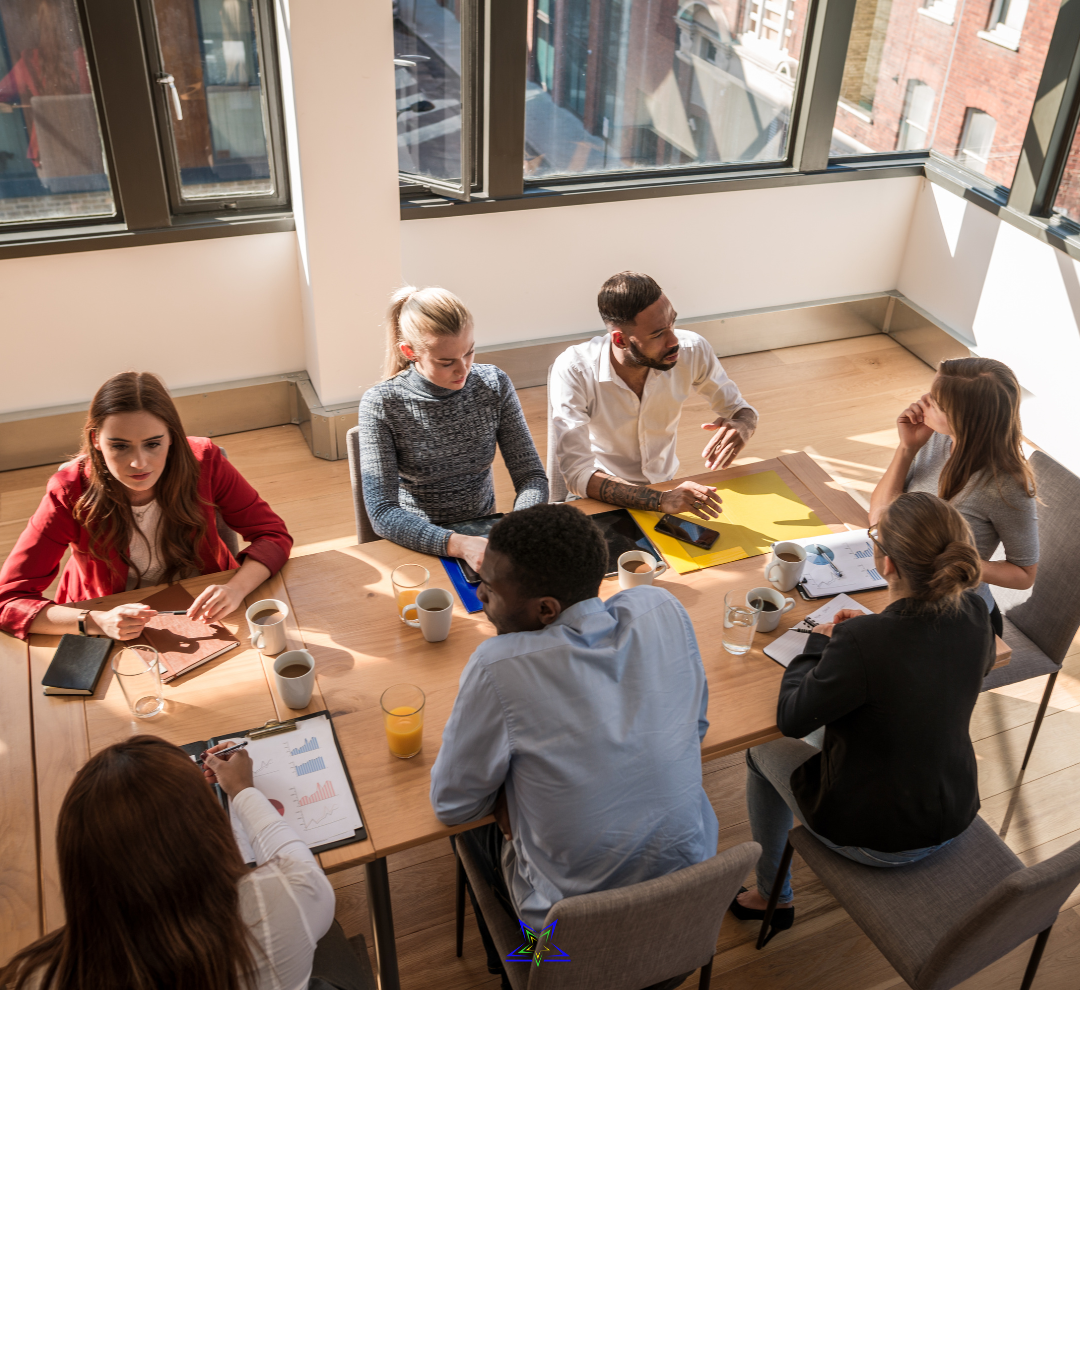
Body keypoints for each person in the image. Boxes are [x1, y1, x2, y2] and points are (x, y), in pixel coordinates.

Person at [429, 504, 718, 984]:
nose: (479, 596)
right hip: (685, 924)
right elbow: (698, 726)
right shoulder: (662, 608)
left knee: (470, 832)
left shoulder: (497, 666)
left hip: (570, 955)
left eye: (491, 589)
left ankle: (513, 969)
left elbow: (452, 804)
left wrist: (511, 801)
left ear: (546, 608)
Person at [733, 492, 996, 944]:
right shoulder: (976, 612)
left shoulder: (862, 643)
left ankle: (771, 897)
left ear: (887, 564)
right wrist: (869, 629)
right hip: (955, 810)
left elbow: (791, 718)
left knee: (759, 751)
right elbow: (928, 660)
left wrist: (820, 642)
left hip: (876, 838)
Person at [0, 737, 335, 989]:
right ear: (204, 833)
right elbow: (291, 856)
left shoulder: (31, 978)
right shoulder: (291, 898)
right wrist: (242, 790)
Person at [0, 370, 292, 641]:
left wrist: (236, 588)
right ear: (96, 440)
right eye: (120, 445)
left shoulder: (206, 463)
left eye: (153, 444)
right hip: (108, 616)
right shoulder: (69, 490)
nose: (139, 463)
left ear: (172, 439)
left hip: (205, 605)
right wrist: (96, 621)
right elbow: (8, 600)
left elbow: (273, 535)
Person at [358, 285, 549, 575]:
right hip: (419, 541)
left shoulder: (494, 384)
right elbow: (383, 513)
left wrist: (513, 530)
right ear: (410, 352)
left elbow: (532, 477)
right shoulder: (382, 403)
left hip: (487, 536)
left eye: (469, 352)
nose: (463, 370)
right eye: (446, 362)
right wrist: (459, 545)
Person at [548, 271, 758, 520]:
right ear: (620, 339)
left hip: (665, 487)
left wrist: (744, 424)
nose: (673, 341)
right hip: (598, 496)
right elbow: (577, 474)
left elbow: (738, 409)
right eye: (658, 334)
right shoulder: (575, 369)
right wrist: (661, 500)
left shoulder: (693, 349)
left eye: (672, 324)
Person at [869, 356, 1038, 638]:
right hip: (903, 589)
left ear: (963, 419)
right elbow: (879, 518)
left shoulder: (1007, 487)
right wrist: (906, 448)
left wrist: (948, 560)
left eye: (935, 401)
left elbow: (1024, 576)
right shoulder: (935, 439)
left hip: (957, 619)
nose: (923, 401)